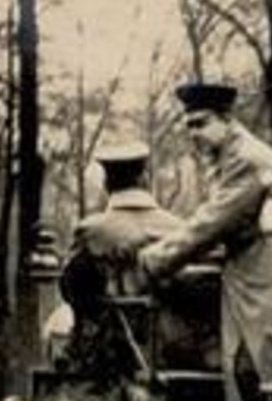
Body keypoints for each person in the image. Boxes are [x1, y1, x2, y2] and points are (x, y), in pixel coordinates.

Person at [138, 82, 272, 401]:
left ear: (226, 120)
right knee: (247, 369)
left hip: (261, 276)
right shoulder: (231, 155)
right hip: (248, 272)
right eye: (189, 125)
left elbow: (211, 223)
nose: (193, 134)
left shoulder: (247, 159)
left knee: (260, 370)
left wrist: (153, 260)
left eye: (201, 123)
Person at [57, 140, 184, 378]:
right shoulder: (179, 228)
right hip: (177, 345)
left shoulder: (91, 231)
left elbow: (69, 290)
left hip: (114, 351)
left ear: (107, 184)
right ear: (144, 179)